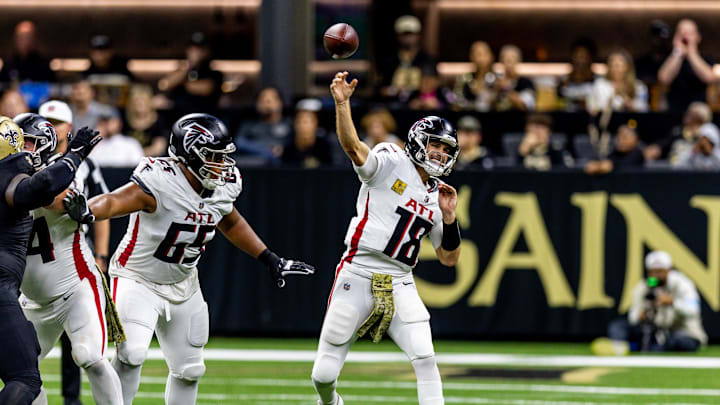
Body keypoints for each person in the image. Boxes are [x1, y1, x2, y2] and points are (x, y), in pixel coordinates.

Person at [63, 113, 315, 405]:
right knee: (132, 355)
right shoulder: (160, 179)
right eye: (214, 156)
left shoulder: (223, 184)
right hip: (137, 279)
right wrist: (88, 209)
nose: (222, 164)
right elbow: (117, 200)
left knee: (190, 369)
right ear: (190, 154)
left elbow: (229, 221)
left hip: (184, 284)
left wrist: (268, 257)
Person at [311, 72, 461, 405]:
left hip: (400, 279)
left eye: (444, 148)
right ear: (419, 142)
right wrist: (342, 104)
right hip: (358, 269)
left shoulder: (439, 196)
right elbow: (353, 147)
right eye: (434, 145)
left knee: (425, 358)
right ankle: (331, 402)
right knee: (322, 375)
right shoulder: (391, 161)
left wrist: (449, 219)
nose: (438, 153)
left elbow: (449, 257)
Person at [14, 113, 121, 405]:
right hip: (31, 300)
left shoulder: (53, 174)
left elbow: (54, 195)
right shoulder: (8, 179)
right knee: (20, 374)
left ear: (46, 145)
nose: (22, 150)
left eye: (29, 143)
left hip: (75, 287)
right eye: (16, 143)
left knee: (90, 356)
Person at [0, 118, 100, 404]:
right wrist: (75, 155)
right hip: (4, 287)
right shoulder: (11, 178)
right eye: (21, 142)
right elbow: (40, 187)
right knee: (25, 379)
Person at [38, 99, 110, 405]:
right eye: (46, 122)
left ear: (69, 127)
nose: (50, 128)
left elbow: (103, 205)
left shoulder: (87, 165)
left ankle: (71, 398)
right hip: (34, 258)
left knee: (81, 342)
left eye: (56, 122)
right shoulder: (29, 160)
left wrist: (101, 255)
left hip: (72, 251)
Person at [592, 251, 706, 355]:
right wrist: (640, 316)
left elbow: (693, 311)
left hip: (680, 331)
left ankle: (634, 347)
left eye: (660, 271)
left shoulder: (682, 283)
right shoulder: (644, 287)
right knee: (618, 326)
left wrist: (672, 302)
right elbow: (633, 316)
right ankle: (622, 346)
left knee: (682, 342)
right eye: (652, 272)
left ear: (668, 270)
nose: (656, 276)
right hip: (653, 332)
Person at [658, 19, 716, 112]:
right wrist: (678, 52)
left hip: (699, 112)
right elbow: (663, 79)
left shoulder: (706, 59)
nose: (685, 36)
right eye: (681, 33)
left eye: (689, 33)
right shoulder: (671, 58)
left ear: (698, 37)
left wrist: (692, 53)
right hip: (674, 110)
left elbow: (709, 77)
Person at [158, 32, 224, 113]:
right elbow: (164, 84)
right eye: (191, 49)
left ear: (206, 52)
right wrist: (188, 66)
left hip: (203, 118)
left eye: (199, 50)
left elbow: (205, 88)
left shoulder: (213, 73)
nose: (194, 53)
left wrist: (180, 84)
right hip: (179, 118)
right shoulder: (183, 70)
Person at [376, 15, 436, 102]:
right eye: (404, 34)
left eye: (411, 34)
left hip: (419, 104)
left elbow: (433, 85)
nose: (408, 38)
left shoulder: (427, 59)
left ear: (418, 35)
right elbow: (379, 87)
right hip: (392, 104)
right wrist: (391, 90)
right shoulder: (389, 60)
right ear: (398, 35)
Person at [234, 86, 292, 160]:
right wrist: (266, 150)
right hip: (255, 166)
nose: (266, 104)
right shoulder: (249, 126)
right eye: (262, 100)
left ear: (280, 103)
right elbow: (238, 143)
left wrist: (284, 149)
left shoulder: (290, 125)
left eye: (270, 100)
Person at [644, 101, 711, 163]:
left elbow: (710, 151)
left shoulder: (707, 131)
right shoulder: (678, 131)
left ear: (700, 117)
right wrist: (656, 148)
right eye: (688, 112)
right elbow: (665, 143)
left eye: (691, 113)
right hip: (676, 168)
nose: (687, 114)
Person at [587, 49, 648, 114]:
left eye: (618, 66)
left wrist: (629, 103)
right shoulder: (600, 84)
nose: (615, 69)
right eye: (611, 65)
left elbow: (645, 109)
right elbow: (593, 106)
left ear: (628, 67)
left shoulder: (639, 86)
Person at [83, 34, 135, 107]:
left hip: (120, 113)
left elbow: (138, 89)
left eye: (103, 51)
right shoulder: (86, 74)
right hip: (94, 114)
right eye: (96, 51)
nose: (99, 55)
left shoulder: (122, 70)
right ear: (91, 53)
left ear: (111, 52)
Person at [281, 99, 334, 168]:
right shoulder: (288, 149)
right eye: (299, 122)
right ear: (294, 124)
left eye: (306, 122)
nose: (302, 126)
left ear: (316, 124)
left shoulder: (325, 147)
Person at [124, 85, 168, 157]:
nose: (139, 103)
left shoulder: (158, 121)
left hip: (150, 162)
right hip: (126, 163)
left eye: (143, 100)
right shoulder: (125, 119)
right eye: (136, 100)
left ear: (149, 102)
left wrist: (136, 155)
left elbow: (158, 148)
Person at [453, 41, 496, 111]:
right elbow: (456, 102)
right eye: (478, 54)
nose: (481, 59)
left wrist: (482, 93)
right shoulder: (464, 78)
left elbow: (501, 105)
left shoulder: (497, 79)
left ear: (491, 56)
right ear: (471, 57)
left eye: (484, 54)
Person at [557, 38, 597, 111]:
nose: (579, 61)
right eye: (577, 56)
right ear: (571, 57)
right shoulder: (563, 82)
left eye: (583, 56)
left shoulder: (598, 82)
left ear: (590, 59)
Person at [492, 45, 535, 111]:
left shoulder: (526, 82)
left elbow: (524, 105)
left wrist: (507, 89)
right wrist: (495, 91)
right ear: (501, 61)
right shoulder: (495, 81)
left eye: (513, 57)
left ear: (519, 60)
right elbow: (486, 105)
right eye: (506, 58)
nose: (509, 61)